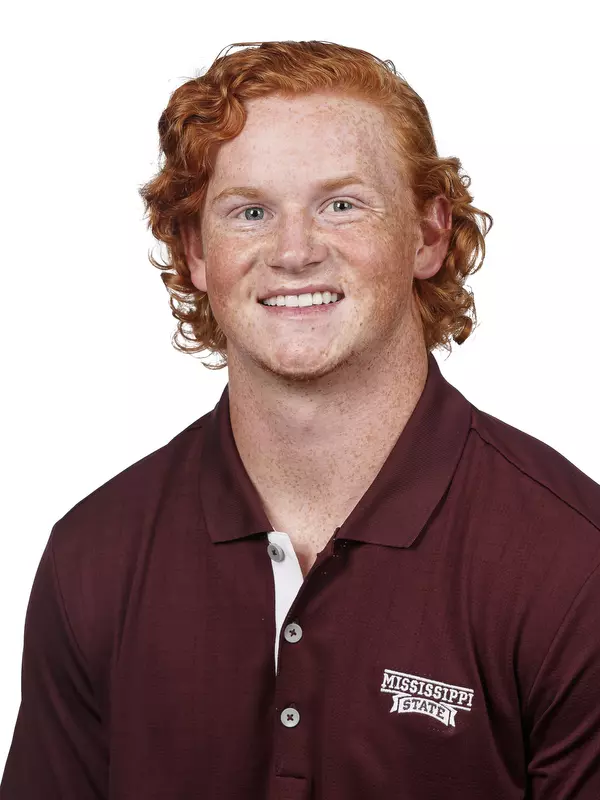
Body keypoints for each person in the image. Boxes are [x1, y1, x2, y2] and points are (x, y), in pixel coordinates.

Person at [2, 39, 599, 800]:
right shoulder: (96, 554)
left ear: (427, 234)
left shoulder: (572, 563)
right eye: (250, 211)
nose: (293, 251)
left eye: (340, 204)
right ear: (195, 253)